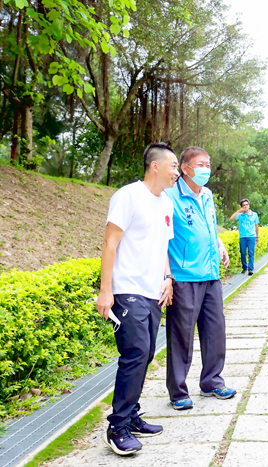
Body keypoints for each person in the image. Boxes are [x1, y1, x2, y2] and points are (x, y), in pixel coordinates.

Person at [96, 143, 179, 455]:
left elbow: (163, 246)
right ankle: (117, 426)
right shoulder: (128, 195)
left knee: (145, 355)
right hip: (127, 288)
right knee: (135, 353)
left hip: (152, 290)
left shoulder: (166, 202)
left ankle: (130, 415)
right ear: (155, 166)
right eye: (173, 165)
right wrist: (106, 290)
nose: (176, 171)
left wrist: (167, 278)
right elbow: (110, 242)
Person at [163, 146, 236, 412]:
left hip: (210, 274)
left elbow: (209, 224)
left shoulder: (207, 194)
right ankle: (178, 390)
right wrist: (167, 275)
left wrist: (219, 243)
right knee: (181, 336)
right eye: (201, 164)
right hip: (184, 277)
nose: (206, 168)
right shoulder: (169, 196)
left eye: (208, 163)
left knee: (215, 331)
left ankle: (212, 381)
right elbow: (162, 237)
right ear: (185, 168)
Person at [230, 199, 259, 275]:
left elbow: (256, 225)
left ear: (249, 205)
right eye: (243, 205)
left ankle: (250, 269)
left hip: (251, 236)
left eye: (246, 204)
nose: (245, 206)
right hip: (243, 236)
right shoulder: (240, 215)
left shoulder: (254, 214)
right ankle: (244, 267)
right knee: (243, 252)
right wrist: (239, 211)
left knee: (251, 252)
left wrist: (257, 236)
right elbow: (232, 218)